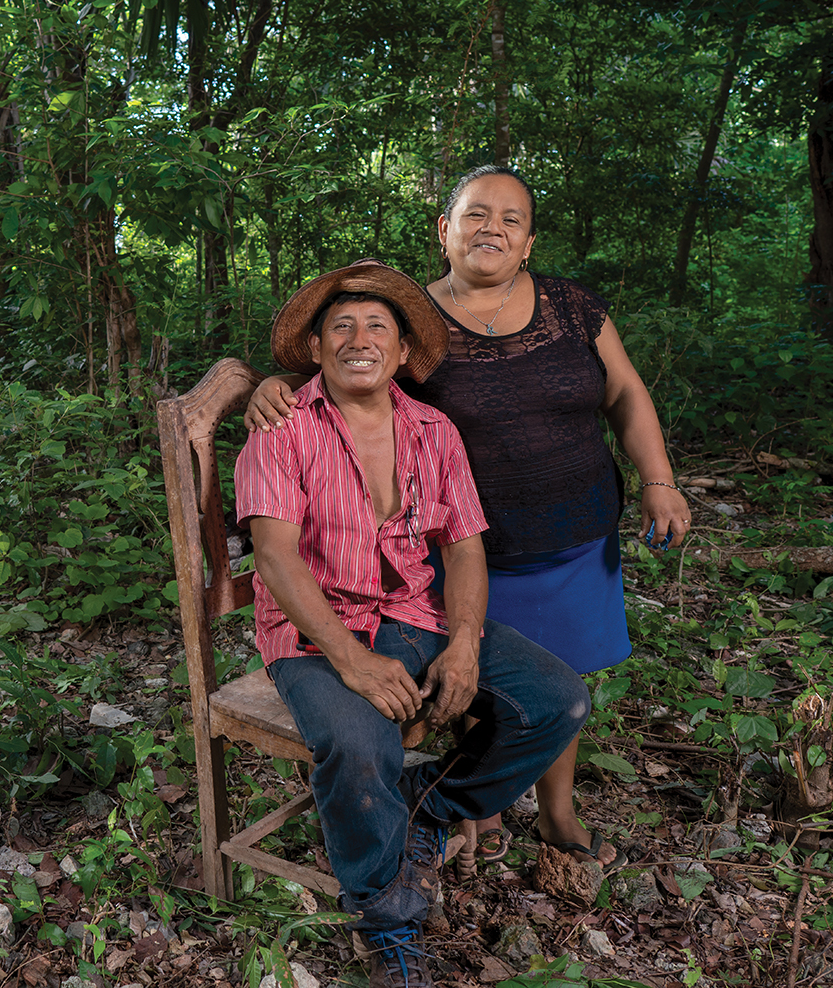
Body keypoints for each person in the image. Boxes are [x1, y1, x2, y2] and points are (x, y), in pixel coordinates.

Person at [245, 166, 692, 873]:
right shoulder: (410, 323)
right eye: (475, 214)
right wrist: (269, 385)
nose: (492, 228)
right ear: (443, 230)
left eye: (510, 219)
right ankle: (466, 812)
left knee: (562, 673)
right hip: (467, 546)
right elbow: (341, 376)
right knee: (470, 678)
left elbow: (626, 392)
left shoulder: (572, 307)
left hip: (575, 530)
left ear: (528, 241)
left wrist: (657, 480)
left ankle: (553, 811)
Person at [235, 259, 591, 988]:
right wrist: (348, 659)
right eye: (340, 327)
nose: (358, 339)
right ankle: (384, 914)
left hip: (416, 614)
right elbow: (272, 557)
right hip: (313, 632)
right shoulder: (283, 426)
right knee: (358, 744)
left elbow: (463, 546)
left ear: (401, 353)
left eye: (376, 328)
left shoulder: (434, 430)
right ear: (314, 348)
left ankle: (428, 809)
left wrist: (462, 642)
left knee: (558, 701)